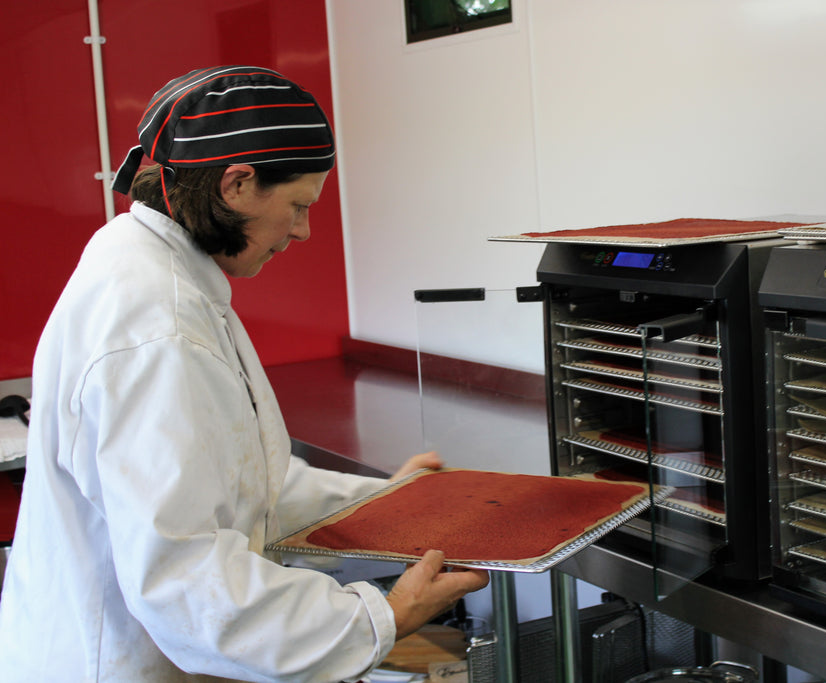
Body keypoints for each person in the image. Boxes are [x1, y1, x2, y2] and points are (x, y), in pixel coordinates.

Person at [0, 65, 489, 682]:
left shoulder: (144, 263)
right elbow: (187, 582)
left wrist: (387, 504)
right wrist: (384, 614)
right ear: (236, 184)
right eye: (297, 205)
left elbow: (236, 489)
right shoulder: (160, 325)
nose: (304, 230)